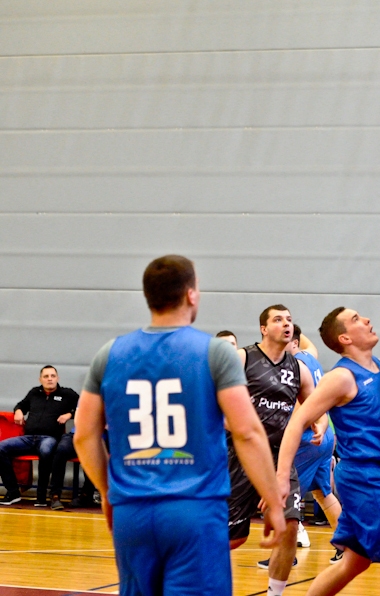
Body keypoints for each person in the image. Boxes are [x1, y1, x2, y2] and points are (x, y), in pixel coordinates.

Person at [72, 254, 284, 596]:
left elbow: (83, 435)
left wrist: (109, 490)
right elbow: (246, 431)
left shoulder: (109, 354)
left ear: (148, 296)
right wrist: (273, 502)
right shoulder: (214, 352)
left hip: (133, 514)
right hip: (194, 511)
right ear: (191, 294)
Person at [276, 307, 380, 596]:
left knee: (354, 562)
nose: (366, 320)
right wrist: (281, 478)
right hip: (367, 479)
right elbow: (297, 422)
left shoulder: (378, 366)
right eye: (356, 320)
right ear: (345, 338)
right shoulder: (341, 377)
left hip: (376, 475)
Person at [229, 305, 314, 596]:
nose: (286, 324)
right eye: (278, 320)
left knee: (290, 525)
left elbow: (315, 406)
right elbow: (212, 399)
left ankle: (274, 594)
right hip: (240, 454)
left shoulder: (298, 368)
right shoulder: (243, 357)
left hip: (280, 456)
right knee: (231, 538)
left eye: (289, 319)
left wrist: (320, 425)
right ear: (264, 329)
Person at [288, 323, 343, 562]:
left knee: (286, 495)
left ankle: (285, 553)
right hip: (326, 435)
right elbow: (309, 343)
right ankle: (345, 545)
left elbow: (302, 409)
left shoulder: (296, 364)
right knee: (323, 493)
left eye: (287, 337)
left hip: (310, 436)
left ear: (294, 342)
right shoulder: (310, 356)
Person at [0, 365, 79, 506]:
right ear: (40, 379)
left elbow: (85, 408)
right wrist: (18, 410)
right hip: (28, 438)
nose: (50, 379)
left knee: (46, 450)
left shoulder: (68, 394)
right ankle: (13, 492)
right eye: (46, 376)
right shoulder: (34, 393)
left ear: (57, 378)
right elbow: (21, 405)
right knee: (1, 448)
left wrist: (69, 414)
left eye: (53, 376)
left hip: (49, 438)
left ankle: (41, 497)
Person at [47, 425, 101, 510]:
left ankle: (86, 495)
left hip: (98, 437)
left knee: (92, 453)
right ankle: (55, 495)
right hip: (75, 434)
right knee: (61, 450)